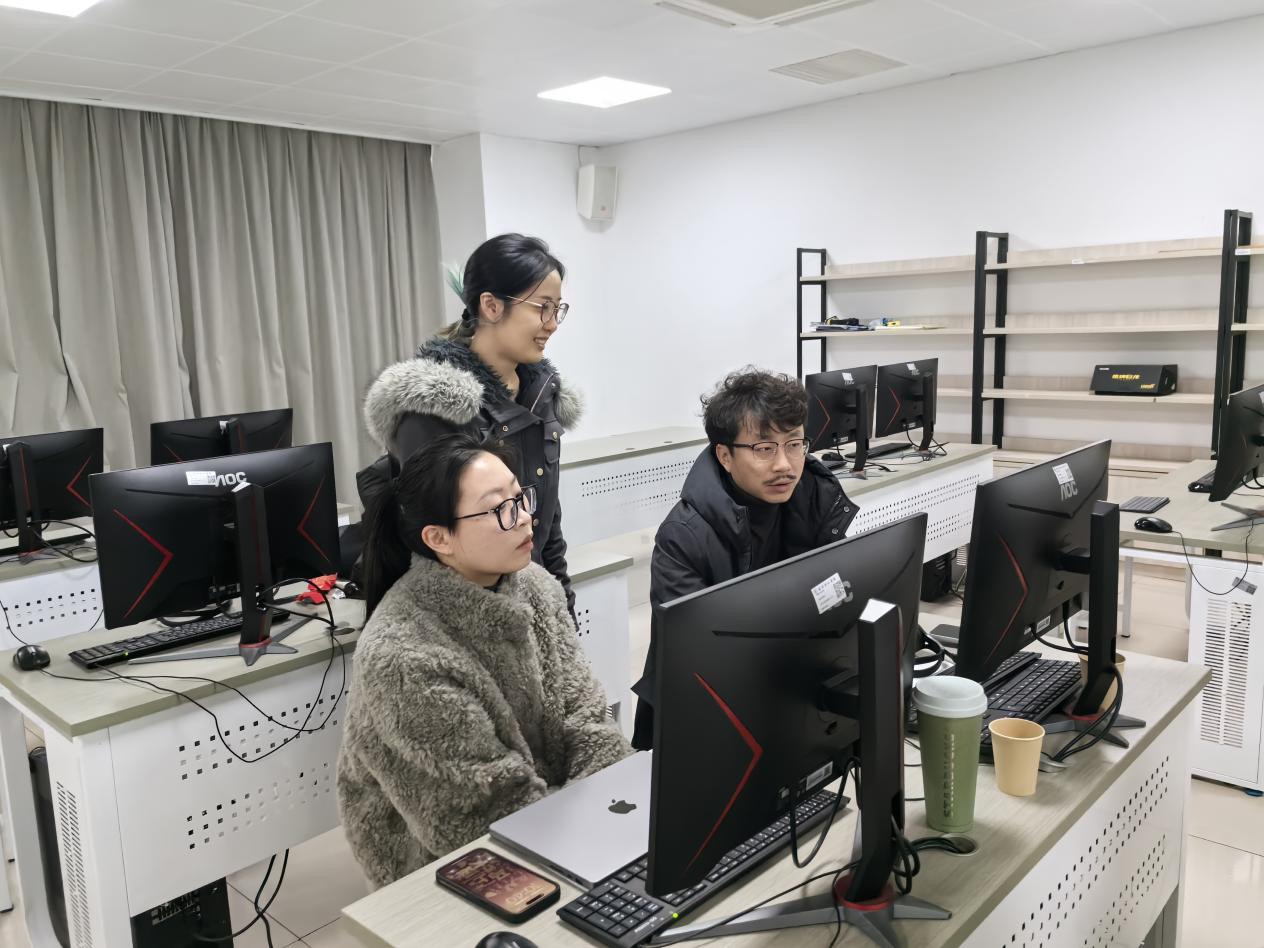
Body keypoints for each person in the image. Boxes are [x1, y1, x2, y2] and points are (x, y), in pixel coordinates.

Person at [337, 433, 631, 888]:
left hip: (556, 817)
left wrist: (610, 814)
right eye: (501, 509)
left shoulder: (535, 584)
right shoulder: (402, 655)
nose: (526, 517)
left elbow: (587, 717)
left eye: (520, 497)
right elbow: (476, 818)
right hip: (442, 867)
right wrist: (593, 827)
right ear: (439, 538)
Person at [630, 369, 859, 750]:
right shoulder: (683, 536)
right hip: (706, 715)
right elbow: (698, 651)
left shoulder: (813, 501)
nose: (784, 464)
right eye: (764, 449)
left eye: (794, 444)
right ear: (725, 456)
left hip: (792, 693)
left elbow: (841, 591)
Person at [361, 233, 581, 611]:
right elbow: (437, 552)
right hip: (460, 614)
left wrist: (560, 609)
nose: (552, 323)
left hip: (533, 599)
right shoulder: (434, 412)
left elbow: (547, 526)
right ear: (492, 306)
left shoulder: (542, 395)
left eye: (557, 309)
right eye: (542, 307)